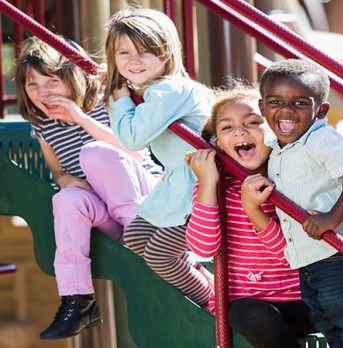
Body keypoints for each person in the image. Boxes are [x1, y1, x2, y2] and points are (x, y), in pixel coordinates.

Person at [15, 37, 161, 339]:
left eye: (52, 81)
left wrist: (79, 118)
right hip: (109, 216)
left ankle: (140, 240)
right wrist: (64, 179)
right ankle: (78, 301)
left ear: (72, 76)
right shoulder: (43, 125)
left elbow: (133, 151)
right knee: (66, 199)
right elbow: (57, 169)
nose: (43, 92)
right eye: (33, 85)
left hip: (145, 208)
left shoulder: (106, 101)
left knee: (94, 152)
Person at [257, 59, 343, 348]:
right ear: (262, 108)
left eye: (299, 103)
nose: (286, 110)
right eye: (275, 101)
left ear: (320, 110)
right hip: (311, 257)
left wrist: (332, 218)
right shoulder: (276, 149)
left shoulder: (321, 139)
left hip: (342, 253)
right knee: (330, 329)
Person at [185, 81, 316, 347]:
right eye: (226, 127)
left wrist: (253, 210)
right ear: (217, 143)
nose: (240, 131)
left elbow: (292, 255)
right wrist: (209, 183)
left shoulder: (291, 182)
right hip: (247, 302)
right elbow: (203, 246)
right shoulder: (215, 187)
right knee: (255, 317)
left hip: (300, 299)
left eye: (253, 122)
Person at [103, 8, 215, 308]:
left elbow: (132, 138)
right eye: (124, 53)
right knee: (137, 237)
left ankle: (211, 304)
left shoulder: (169, 90)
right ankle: (204, 277)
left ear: (166, 53)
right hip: (179, 181)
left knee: (159, 254)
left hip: (202, 186)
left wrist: (122, 101)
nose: (134, 60)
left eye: (146, 52)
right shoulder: (157, 90)